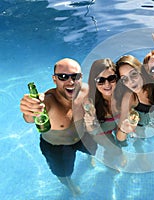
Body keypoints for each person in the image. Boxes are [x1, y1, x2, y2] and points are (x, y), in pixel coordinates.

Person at [20, 58, 97, 196]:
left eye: (75, 76)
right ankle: (70, 185)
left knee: (93, 150)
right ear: (54, 79)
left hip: (83, 135)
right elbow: (30, 117)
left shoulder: (86, 90)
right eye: (63, 77)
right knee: (63, 173)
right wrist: (30, 108)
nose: (71, 82)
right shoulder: (48, 101)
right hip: (57, 147)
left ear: (81, 77)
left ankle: (89, 157)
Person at [85, 58, 126, 170]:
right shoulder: (90, 101)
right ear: (94, 81)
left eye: (111, 78)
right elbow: (92, 131)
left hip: (116, 125)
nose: (107, 84)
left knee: (122, 142)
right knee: (113, 149)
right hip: (100, 131)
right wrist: (90, 123)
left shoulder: (123, 93)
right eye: (100, 80)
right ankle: (107, 161)